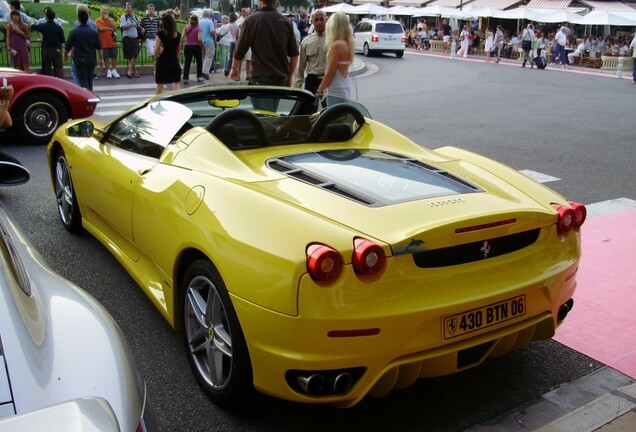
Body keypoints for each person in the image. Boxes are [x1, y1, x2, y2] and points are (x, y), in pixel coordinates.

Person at [230, 0, 299, 87]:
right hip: (280, 77)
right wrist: (289, 79)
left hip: (259, 76)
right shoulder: (286, 22)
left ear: (260, 1)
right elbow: (294, 54)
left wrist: (234, 68)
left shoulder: (252, 20)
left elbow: (240, 49)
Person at [315, 12, 355, 106]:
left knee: (333, 119)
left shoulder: (337, 45)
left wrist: (318, 92)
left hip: (335, 92)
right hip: (344, 89)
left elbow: (330, 73)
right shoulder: (347, 44)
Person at [65, 9, 101, 91]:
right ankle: (90, 94)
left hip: (79, 58)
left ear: (78, 19)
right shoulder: (93, 33)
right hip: (91, 58)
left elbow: (68, 46)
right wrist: (101, 59)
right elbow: (99, 47)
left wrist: (65, 55)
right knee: (89, 78)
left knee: (82, 79)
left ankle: (86, 95)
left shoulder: (74, 32)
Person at [294, 9, 327, 95]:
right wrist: (297, 87)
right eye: (316, 20)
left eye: (321, 19)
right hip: (312, 80)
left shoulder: (333, 40)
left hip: (328, 80)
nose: (319, 22)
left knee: (329, 108)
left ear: (326, 20)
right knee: (310, 108)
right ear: (312, 21)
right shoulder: (306, 42)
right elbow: (300, 66)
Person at [31, 8, 65, 77]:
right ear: (54, 16)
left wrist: (32, 23)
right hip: (57, 49)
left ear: (46, 16)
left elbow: (33, 27)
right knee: (58, 68)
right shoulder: (58, 27)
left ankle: (50, 82)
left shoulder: (43, 26)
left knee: (47, 68)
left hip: (46, 49)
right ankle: (60, 82)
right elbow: (63, 40)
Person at [154, 13, 181, 94]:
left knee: (160, 86)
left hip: (162, 62)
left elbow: (156, 49)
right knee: (176, 84)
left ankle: (158, 103)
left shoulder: (160, 34)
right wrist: (176, 59)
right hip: (174, 62)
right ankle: (177, 102)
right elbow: (179, 50)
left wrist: (155, 58)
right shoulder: (178, 35)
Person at [95, 7, 120, 79]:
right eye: (103, 12)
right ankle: (108, 70)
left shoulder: (111, 20)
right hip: (103, 42)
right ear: (101, 13)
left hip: (112, 42)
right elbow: (100, 28)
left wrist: (108, 20)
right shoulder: (98, 20)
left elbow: (115, 28)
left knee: (114, 56)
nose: (105, 13)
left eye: (106, 12)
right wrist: (109, 28)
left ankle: (114, 70)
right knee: (105, 57)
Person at [120, 2, 141, 78]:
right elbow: (122, 27)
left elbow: (138, 26)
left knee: (135, 54)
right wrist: (131, 25)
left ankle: (129, 71)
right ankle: (134, 71)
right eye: (126, 7)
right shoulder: (123, 17)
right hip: (127, 38)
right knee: (131, 56)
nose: (127, 9)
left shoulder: (135, 17)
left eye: (129, 7)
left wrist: (142, 29)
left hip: (135, 39)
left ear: (132, 9)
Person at [182, 14, 204, 85]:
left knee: (187, 62)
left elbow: (182, 37)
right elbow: (199, 39)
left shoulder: (186, 27)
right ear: (197, 21)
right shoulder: (198, 29)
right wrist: (202, 44)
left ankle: (185, 78)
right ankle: (199, 77)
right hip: (196, 46)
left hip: (188, 46)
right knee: (199, 62)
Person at [199, 9, 216, 78]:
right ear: (209, 15)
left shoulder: (199, 21)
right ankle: (205, 71)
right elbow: (212, 31)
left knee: (203, 56)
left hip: (201, 41)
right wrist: (214, 37)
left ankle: (201, 70)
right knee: (209, 56)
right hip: (209, 41)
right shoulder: (209, 22)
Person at [223, 12, 239, 77]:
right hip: (236, 41)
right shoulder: (236, 25)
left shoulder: (228, 25)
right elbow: (238, 33)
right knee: (236, 57)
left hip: (231, 41)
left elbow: (223, 31)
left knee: (231, 56)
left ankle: (227, 69)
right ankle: (233, 69)